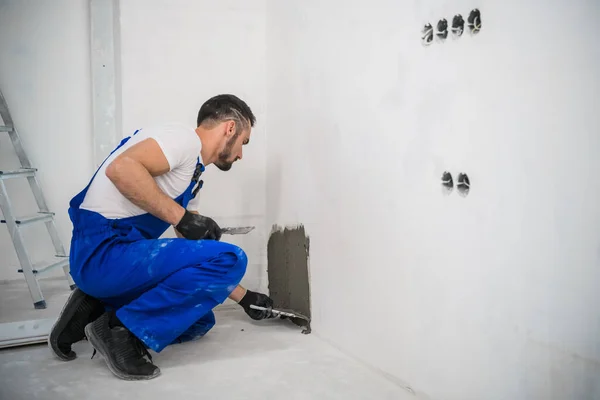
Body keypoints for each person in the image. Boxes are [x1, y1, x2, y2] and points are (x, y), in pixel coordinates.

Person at [48, 94, 275, 381]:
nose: (241, 154)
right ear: (230, 128)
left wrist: (244, 298)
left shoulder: (193, 176)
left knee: (198, 319)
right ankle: (118, 329)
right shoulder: (181, 140)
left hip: (118, 262)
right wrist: (182, 218)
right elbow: (121, 169)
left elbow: (193, 258)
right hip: (102, 253)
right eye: (244, 142)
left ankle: (94, 308)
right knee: (232, 257)